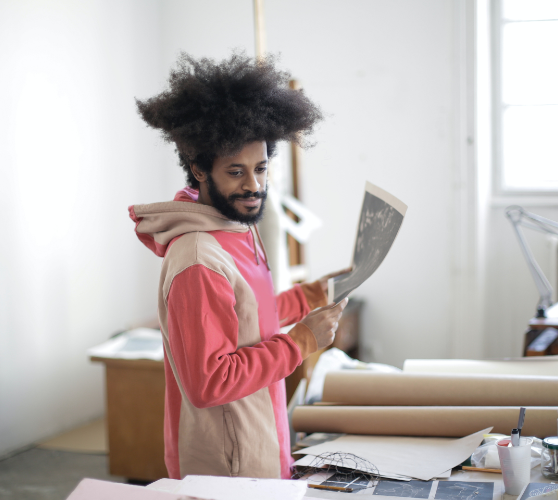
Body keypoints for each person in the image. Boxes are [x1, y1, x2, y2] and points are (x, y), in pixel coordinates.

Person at [129, 52, 348, 480]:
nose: (253, 185)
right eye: (235, 172)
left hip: (259, 435)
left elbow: (246, 318)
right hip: (228, 463)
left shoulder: (235, 226)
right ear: (199, 170)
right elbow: (209, 382)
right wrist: (300, 342)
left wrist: (310, 296)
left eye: (261, 169)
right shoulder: (198, 259)